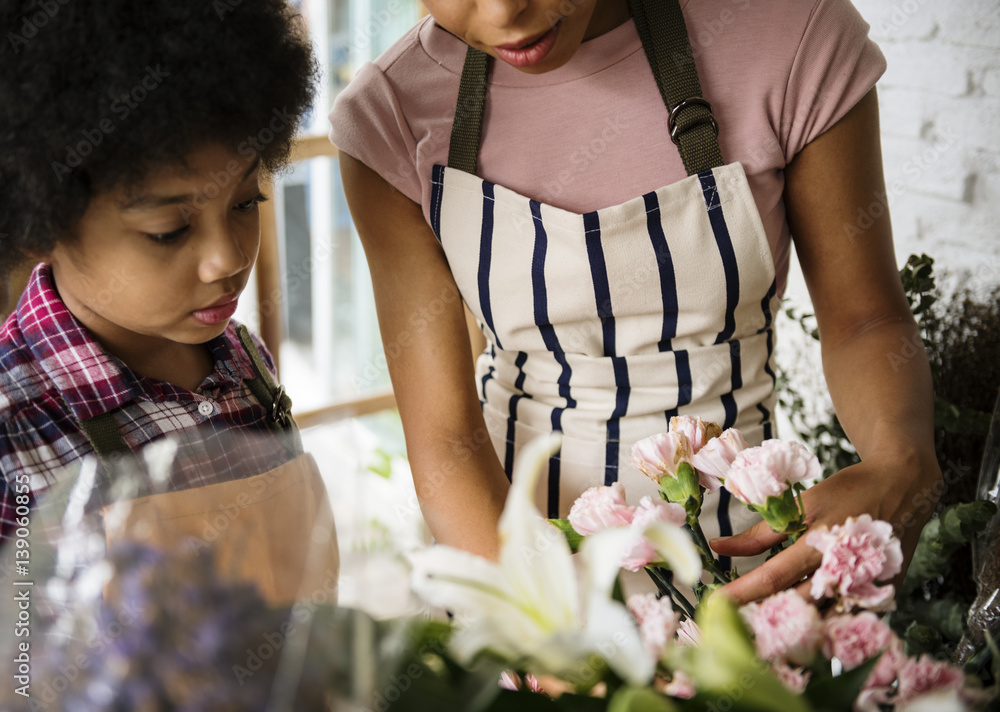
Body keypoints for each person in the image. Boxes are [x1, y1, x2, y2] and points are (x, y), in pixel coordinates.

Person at [330, 0, 943, 603]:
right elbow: (444, 435)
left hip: (750, 567)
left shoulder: (792, 32)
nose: (504, 12)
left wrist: (901, 460)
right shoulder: (391, 113)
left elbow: (866, 319)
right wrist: (544, 634)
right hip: (510, 567)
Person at [0, 0, 337, 605]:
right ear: (37, 223)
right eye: (168, 230)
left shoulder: (243, 360)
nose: (227, 259)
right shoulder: (13, 430)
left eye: (245, 203)